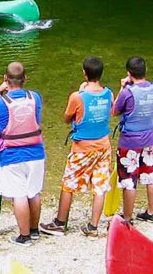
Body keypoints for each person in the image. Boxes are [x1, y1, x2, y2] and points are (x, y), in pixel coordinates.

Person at [48, 56, 113, 236]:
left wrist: (80, 92)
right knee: (100, 185)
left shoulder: (77, 96)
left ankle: (60, 223)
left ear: (84, 73)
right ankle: (93, 226)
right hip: (104, 145)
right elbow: (110, 111)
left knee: (69, 183)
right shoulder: (109, 93)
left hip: (83, 148)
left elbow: (67, 118)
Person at [0, 61, 46, 244]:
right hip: (36, 153)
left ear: (6, 79)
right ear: (25, 79)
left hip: (12, 155)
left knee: (18, 194)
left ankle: (24, 235)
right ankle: (35, 229)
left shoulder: (0, 103)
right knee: (34, 192)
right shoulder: (35, 97)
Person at [113, 56, 153, 223]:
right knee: (151, 175)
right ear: (145, 71)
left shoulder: (128, 92)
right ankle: (151, 212)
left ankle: (127, 217)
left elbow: (114, 111)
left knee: (129, 180)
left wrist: (122, 87)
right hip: (149, 138)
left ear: (129, 73)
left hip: (130, 142)